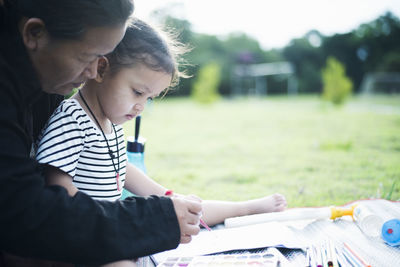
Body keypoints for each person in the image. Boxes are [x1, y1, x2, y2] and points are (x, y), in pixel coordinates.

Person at [35, 17, 287, 256]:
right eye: (137, 92)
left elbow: (123, 172)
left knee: (187, 208)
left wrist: (170, 199)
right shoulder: (73, 119)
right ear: (101, 69)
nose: (141, 106)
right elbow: (58, 194)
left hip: (111, 231)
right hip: (87, 238)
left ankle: (246, 208)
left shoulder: (108, 123)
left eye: (149, 98)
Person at [0, 1, 202, 266]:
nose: (96, 72)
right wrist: (153, 219)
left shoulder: (46, 84)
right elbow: (23, 215)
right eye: (88, 57)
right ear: (35, 33)